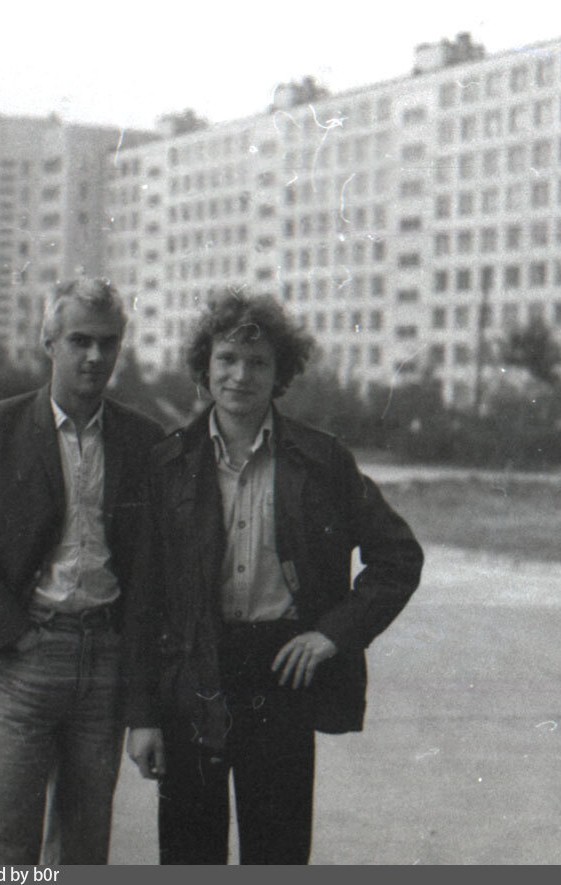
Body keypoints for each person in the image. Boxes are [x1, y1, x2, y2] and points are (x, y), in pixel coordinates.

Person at [131, 291, 424, 864]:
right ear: (204, 366)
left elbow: (398, 557)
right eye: (227, 359)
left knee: (279, 854)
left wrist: (333, 634)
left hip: (280, 677)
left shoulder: (322, 460)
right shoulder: (168, 464)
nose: (240, 375)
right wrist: (142, 717)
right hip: (194, 673)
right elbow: (145, 598)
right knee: (189, 854)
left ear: (280, 372)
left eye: (258, 362)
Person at [0, 278, 164, 864]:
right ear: (49, 341)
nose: (94, 356)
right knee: (0, 846)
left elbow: (149, 580)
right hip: (24, 659)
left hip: (105, 663)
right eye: (79, 340)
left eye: (108, 342)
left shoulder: (144, 441)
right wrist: (15, 637)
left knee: (84, 851)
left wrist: (144, 705)